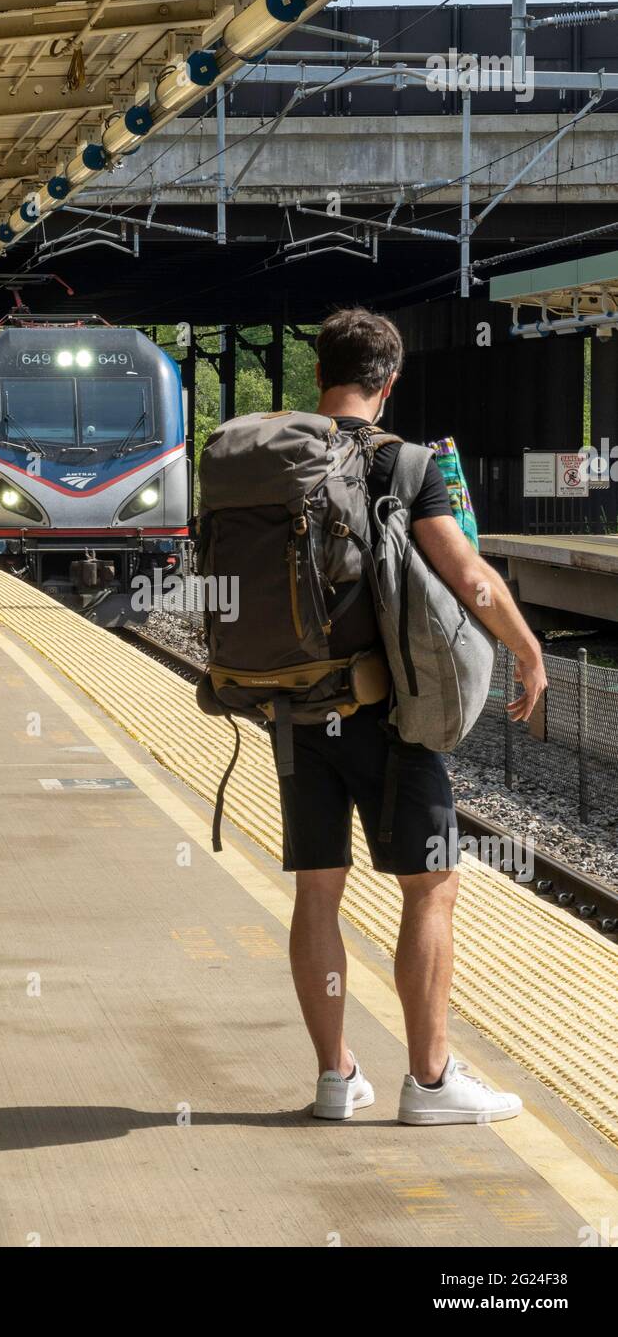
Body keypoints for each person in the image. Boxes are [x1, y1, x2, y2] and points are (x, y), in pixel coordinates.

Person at [277, 308, 547, 1125]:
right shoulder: (406, 463)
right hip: (388, 718)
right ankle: (429, 1085)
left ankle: (335, 1079)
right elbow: (469, 579)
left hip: (295, 709)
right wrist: (528, 652)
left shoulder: (278, 457)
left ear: (319, 374)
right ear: (388, 381)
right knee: (430, 887)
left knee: (317, 893)